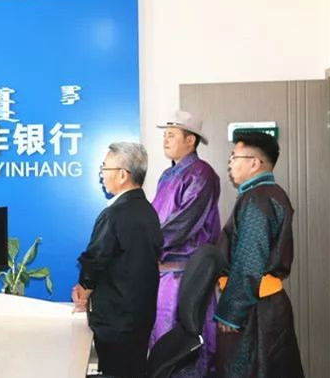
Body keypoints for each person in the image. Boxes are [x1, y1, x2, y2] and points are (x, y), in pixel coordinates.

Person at [214, 132, 304, 378]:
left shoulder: (258, 199)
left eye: (234, 157)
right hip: (263, 304)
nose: (230, 164)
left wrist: (231, 314)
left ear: (254, 163)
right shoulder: (267, 193)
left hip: (255, 309)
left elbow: (249, 260)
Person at [73, 142, 163, 378]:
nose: (101, 174)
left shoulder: (114, 214)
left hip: (115, 323)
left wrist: (83, 292)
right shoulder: (149, 211)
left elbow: (95, 261)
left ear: (123, 175)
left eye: (105, 168)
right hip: (139, 319)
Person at [150, 110, 221, 376]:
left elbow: (183, 223)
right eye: (165, 135)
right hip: (164, 273)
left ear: (190, 140)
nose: (165, 140)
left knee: (182, 344)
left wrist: (148, 244)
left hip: (184, 275)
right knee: (161, 343)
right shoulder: (167, 175)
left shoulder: (201, 173)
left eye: (172, 135)